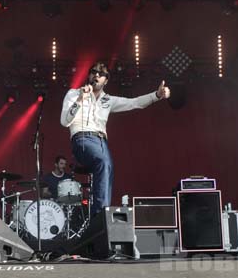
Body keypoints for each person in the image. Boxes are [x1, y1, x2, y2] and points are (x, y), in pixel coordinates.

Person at [60, 62, 170, 216]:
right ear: (89, 75)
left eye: (101, 73)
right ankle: (101, 215)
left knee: (108, 167)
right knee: (104, 162)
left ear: (106, 80)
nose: (96, 75)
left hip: (101, 143)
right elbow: (64, 121)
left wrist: (157, 95)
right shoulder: (73, 93)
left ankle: (99, 214)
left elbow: (134, 103)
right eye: (93, 72)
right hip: (83, 139)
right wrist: (79, 100)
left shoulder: (108, 100)